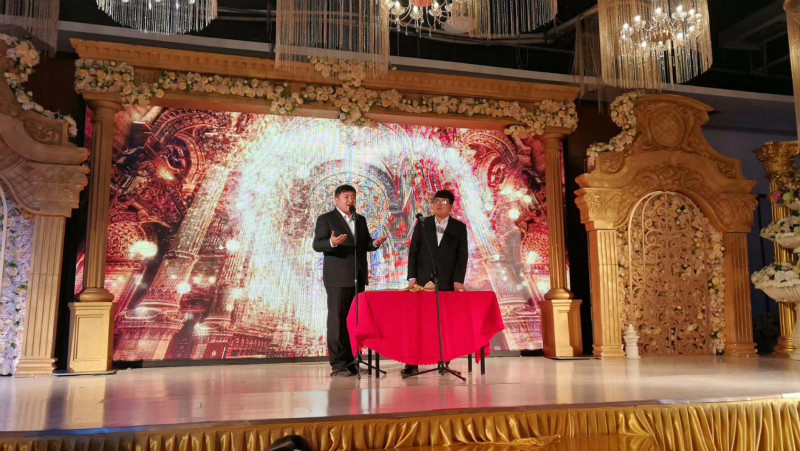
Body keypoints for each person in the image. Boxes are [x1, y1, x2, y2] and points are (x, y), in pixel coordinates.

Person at [313, 184, 387, 377]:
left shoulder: (360, 219)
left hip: (357, 277)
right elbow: (317, 244)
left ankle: (352, 361)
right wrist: (332, 242)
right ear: (336, 199)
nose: (350, 200)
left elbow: (364, 244)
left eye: (353, 197)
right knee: (337, 321)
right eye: (346, 197)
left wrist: (374, 244)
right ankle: (338, 364)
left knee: (353, 321)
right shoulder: (326, 219)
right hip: (338, 278)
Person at [403, 189, 469, 375]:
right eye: (436, 201)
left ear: (451, 206)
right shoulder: (422, 224)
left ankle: (444, 360)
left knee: (444, 323)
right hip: (422, 284)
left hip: (446, 282)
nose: (439, 204)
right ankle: (412, 363)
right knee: (419, 324)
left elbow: (462, 255)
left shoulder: (458, 227)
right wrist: (412, 277)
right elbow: (414, 252)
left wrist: (458, 280)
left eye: (443, 201)